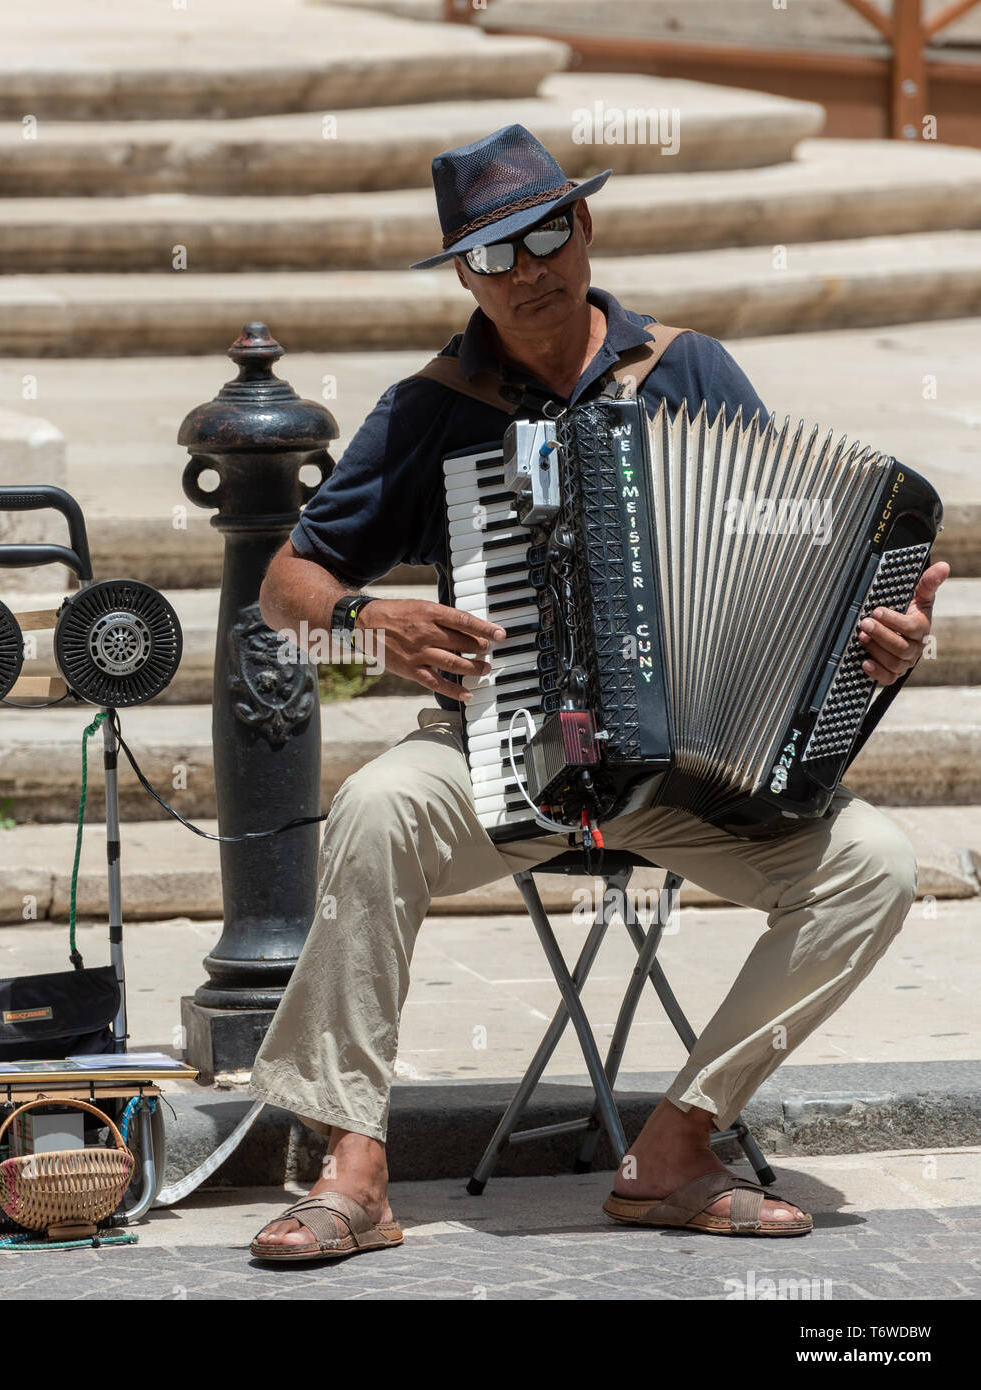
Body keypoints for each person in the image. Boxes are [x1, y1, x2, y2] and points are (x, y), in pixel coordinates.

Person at [245, 124, 948, 1261]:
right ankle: (354, 1166)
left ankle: (674, 1149)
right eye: (492, 254)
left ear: (584, 226)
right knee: (374, 808)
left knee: (877, 867)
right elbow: (287, 578)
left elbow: (777, 575)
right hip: (502, 755)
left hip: (685, 771)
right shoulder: (433, 405)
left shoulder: (689, 370)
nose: (527, 271)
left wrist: (875, 644)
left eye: (544, 233)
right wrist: (367, 618)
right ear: (464, 275)